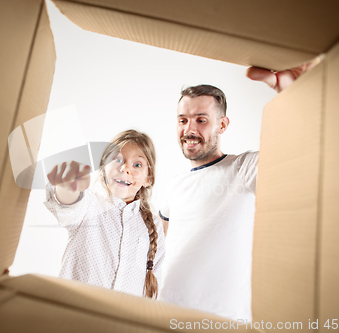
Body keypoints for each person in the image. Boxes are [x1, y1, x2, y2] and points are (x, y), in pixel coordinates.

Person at [158, 62, 318, 319]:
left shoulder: (244, 169)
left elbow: (299, 154)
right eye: (183, 120)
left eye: (201, 120)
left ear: (222, 125)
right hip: (165, 317)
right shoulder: (174, 185)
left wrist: (300, 96)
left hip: (223, 321)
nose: (189, 129)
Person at [44, 129, 165, 298]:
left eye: (137, 164)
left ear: (148, 178)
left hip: (121, 321)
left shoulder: (154, 226)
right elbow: (68, 202)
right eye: (117, 160)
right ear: (103, 167)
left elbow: (152, 286)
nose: (125, 168)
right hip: (73, 317)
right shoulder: (89, 205)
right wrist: (68, 185)